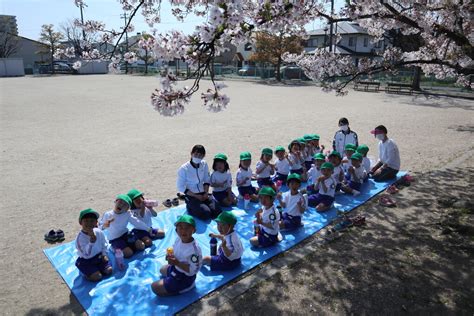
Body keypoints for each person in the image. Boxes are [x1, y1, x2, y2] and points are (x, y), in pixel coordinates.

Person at [151, 215, 202, 296]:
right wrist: (170, 255)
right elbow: (174, 248)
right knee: (161, 270)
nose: (183, 230)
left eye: (187, 227)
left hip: (185, 277)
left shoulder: (194, 251)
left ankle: (186, 287)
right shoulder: (179, 239)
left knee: (154, 287)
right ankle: (171, 280)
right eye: (180, 227)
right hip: (176, 268)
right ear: (176, 230)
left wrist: (177, 263)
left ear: (194, 230)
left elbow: (193, 271)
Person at [177, 144, 222, 220]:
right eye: (196, 154)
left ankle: (201, 204)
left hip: (203, 193)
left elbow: (206, 179)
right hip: (192, 195)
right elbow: (180, 186)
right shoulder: (184, 168)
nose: (198, 157)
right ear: (191, 153)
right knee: (206, 214)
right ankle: (190, 207)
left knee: (217, 211)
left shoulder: (204, 164)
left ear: (203, 156)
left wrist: (206, 193)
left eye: (200, 155)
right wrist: (196, 196)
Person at [75, 208, 112, 282]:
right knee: (97, 277)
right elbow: (86, 254)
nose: (89, 223)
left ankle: (96, 268)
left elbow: (104, 243)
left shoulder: (98, 232)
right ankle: (85, 272)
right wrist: (91, 242)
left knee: (109, 271)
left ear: (96, 223)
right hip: (86, 260)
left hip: (98, 257)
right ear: (80, 222)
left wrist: (104, 254)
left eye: (92, 221)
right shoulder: (80, 238)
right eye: (86, 221)